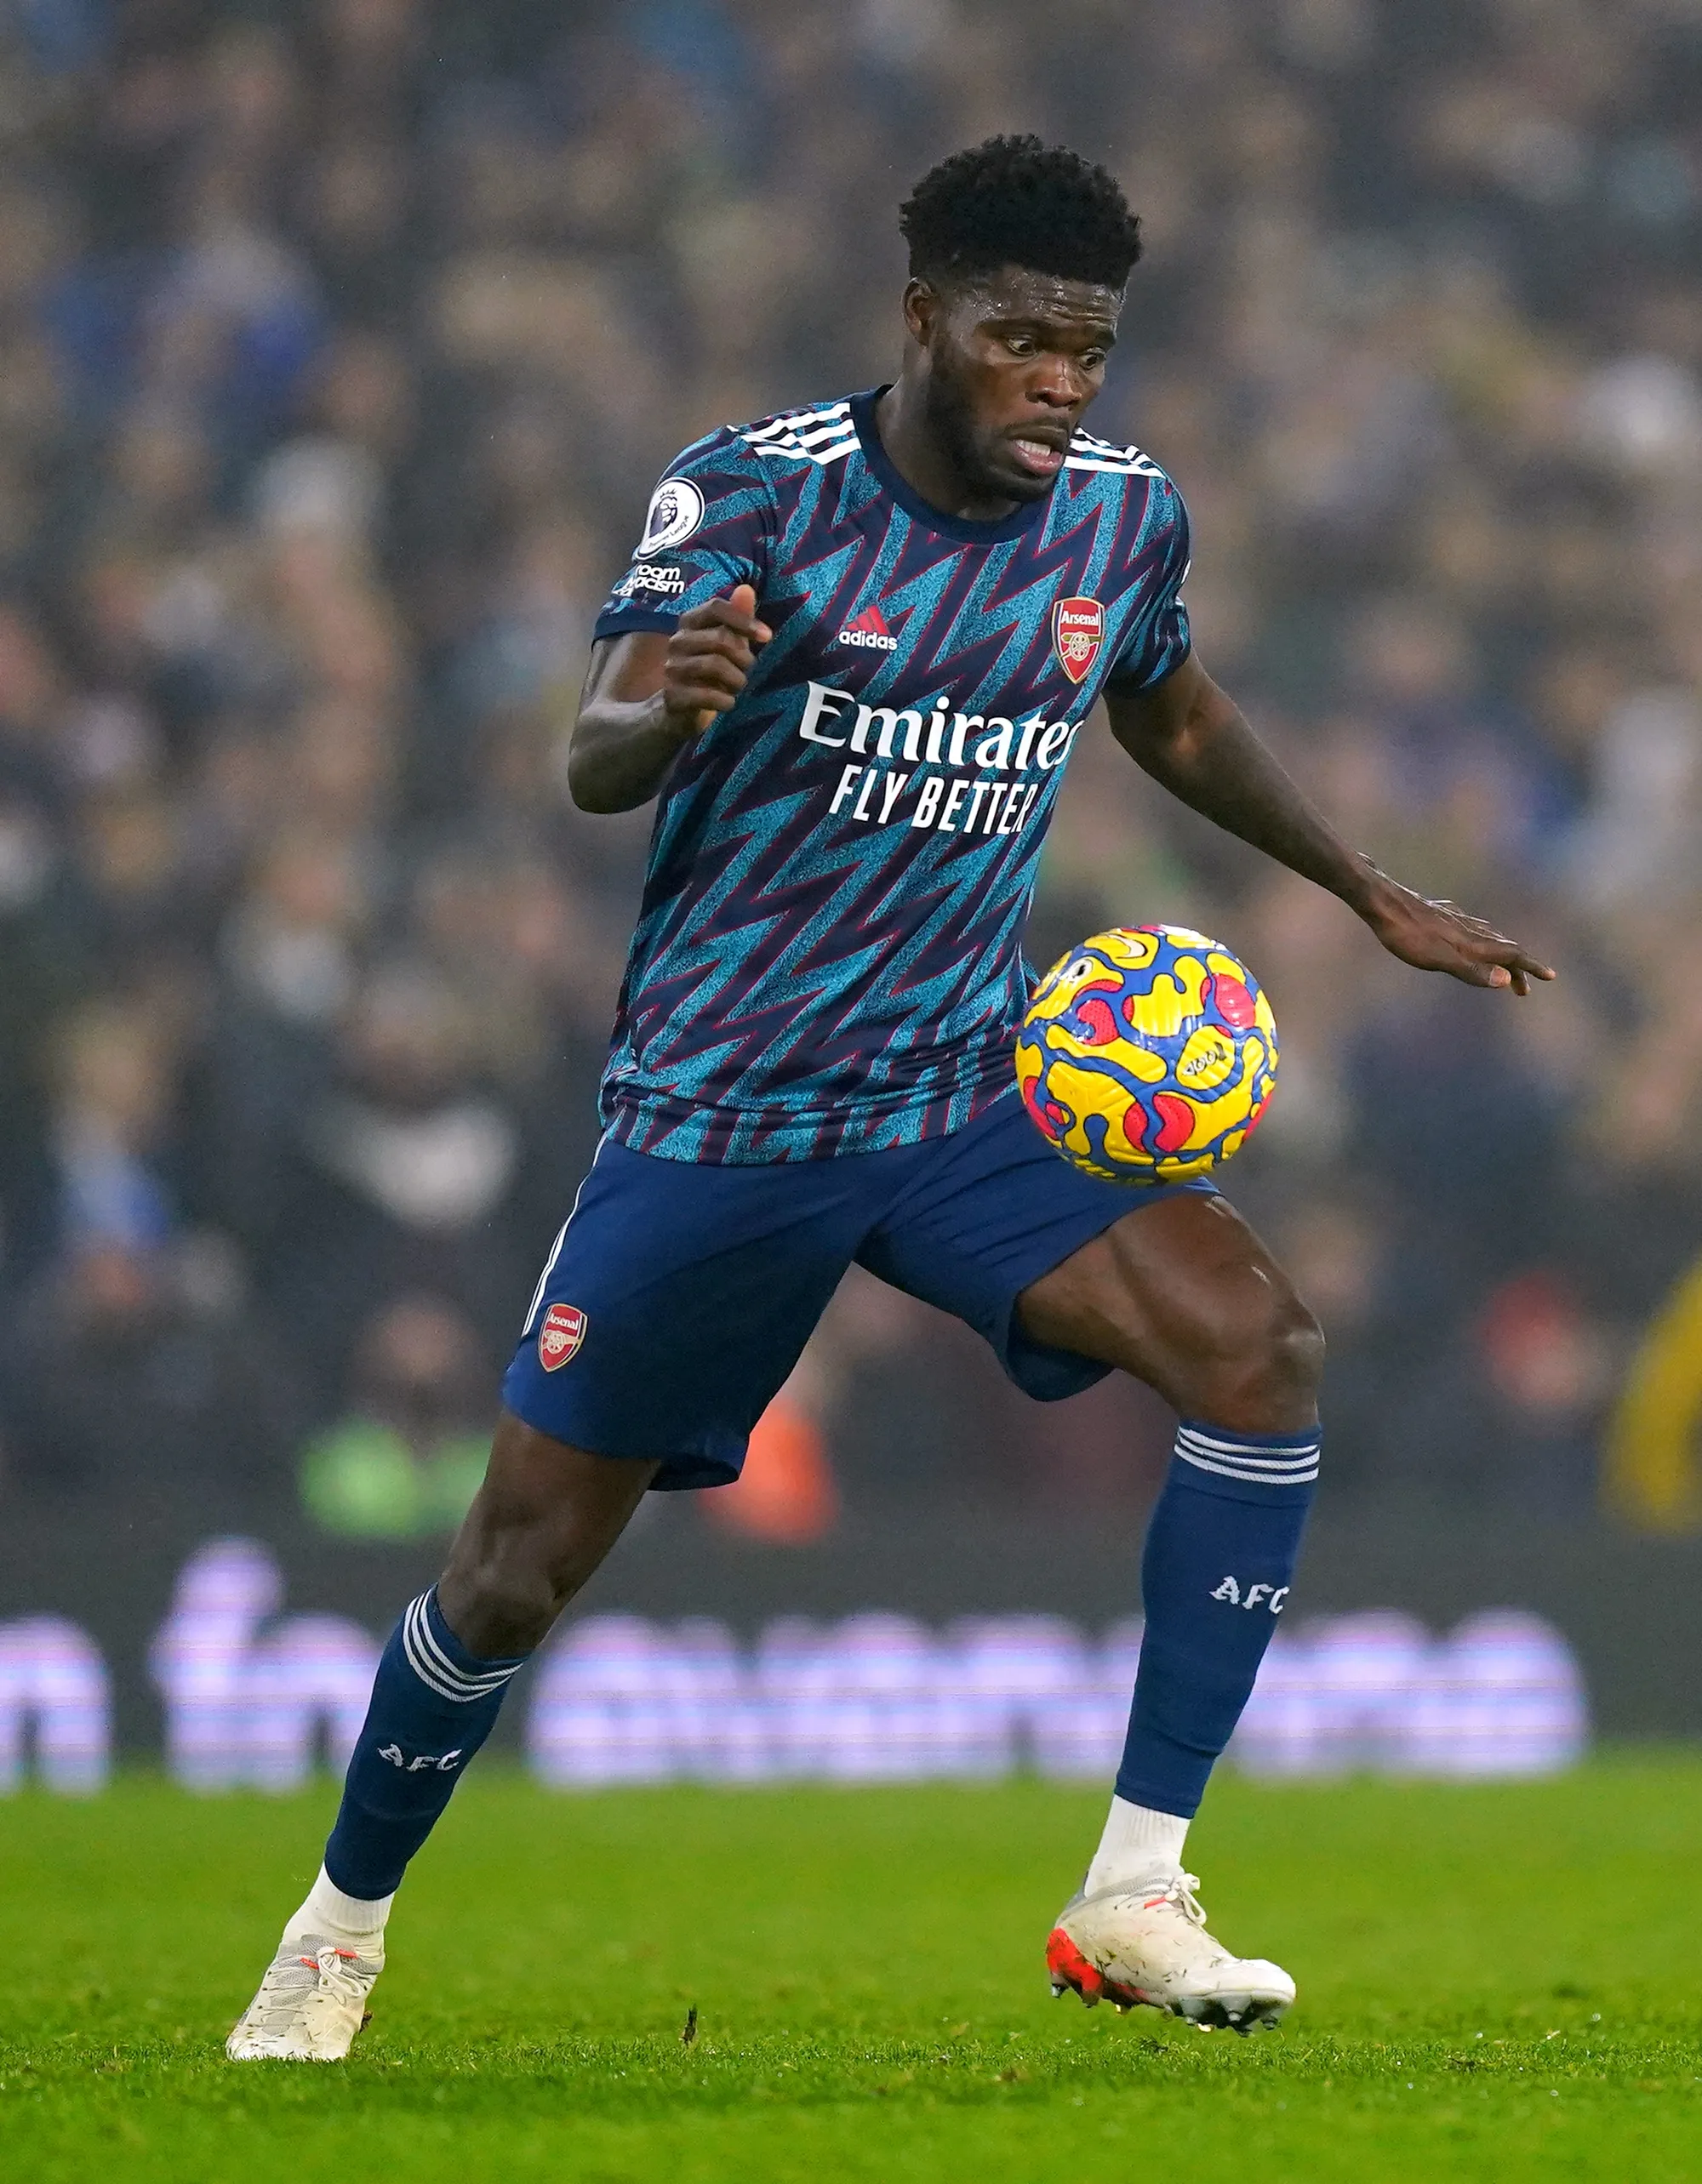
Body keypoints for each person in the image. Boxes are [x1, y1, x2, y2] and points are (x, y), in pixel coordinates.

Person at [228, 136, 1551, 2061]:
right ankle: (335, 1929)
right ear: (924, 316)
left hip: (957, 1094)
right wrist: (663, 705)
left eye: (1089, 351)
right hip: (726, 1115)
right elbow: (597, 751)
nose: (1060, 383)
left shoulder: (1123, 518)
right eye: (1023, 340)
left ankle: (1134, 1883)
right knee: (513, 1572)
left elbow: (1171, 706)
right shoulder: (753, 491)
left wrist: (1366, 889)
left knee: (1259, 1347)